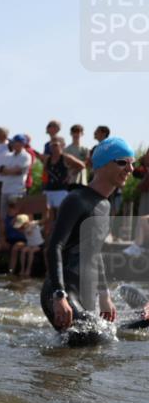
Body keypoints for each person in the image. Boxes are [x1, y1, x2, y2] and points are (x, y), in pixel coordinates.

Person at [41, 136, 135, 345]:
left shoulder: (105, 205)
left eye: (132, 163)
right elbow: (53, 247)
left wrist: (104, 295)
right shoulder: (77, 200)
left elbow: (95, 253)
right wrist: (59, 295)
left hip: (84, 293)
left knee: (98, 343)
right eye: (122, 162)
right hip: (60, 292)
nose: (129, 169)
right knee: (101, 343)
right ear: (101, 165)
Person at [0, 134, 31, 229]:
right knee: (3, 216)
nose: (13, 144)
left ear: (22, 144)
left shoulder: (26, 156)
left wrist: (6, 170)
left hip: (17, 190)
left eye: (16, 142)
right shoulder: (8, 156)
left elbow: (18, 171)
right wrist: (9, 170)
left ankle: (16, 237)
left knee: (17, 216)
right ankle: (2, 237)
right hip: (5, 189)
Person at [0, 196, 26, 274]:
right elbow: (1, 234)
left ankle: (10, 272)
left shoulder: (24, 216)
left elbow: (25, 230)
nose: (11, 208)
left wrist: (17, 219)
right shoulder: (4, 219)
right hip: (8, 240)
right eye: (10, 206)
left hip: (20, 241)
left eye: (13, 206)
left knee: (15, 249)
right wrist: (3, 242)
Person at [11, 213, 43, 277]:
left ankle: (28, 270)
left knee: (31, 252)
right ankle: (22, 269)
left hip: (38, 245)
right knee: (23, 251)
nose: (20, 227)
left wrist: (33, 223)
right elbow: (14, 225)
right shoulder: (23, 229)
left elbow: (42, 221)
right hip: (30, 245)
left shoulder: (33, 224)